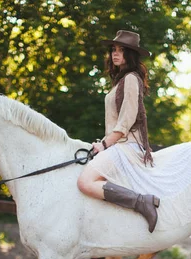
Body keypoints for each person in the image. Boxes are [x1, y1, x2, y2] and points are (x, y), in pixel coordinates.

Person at [77, 30, 160, 233]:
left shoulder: (131, 79)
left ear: (130, 55)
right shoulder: (120, 81)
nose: (115, 53)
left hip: (127, 145)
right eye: (113, 49)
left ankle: (142, 202)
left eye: (121, 50)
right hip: (118, 144)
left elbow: (126, 121)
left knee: (85, 182)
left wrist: (105, 144)